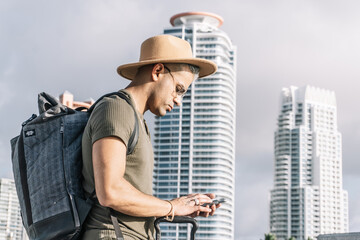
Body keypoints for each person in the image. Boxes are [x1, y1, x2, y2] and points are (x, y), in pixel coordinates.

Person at [81, 34, 220, 240]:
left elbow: (127, 196)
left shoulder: (137, 120)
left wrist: (178, 207)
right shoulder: (116, 109)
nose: (179, 101)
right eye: (179, 89)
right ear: (157, 71)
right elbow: (110, 191)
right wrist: (172, 207)